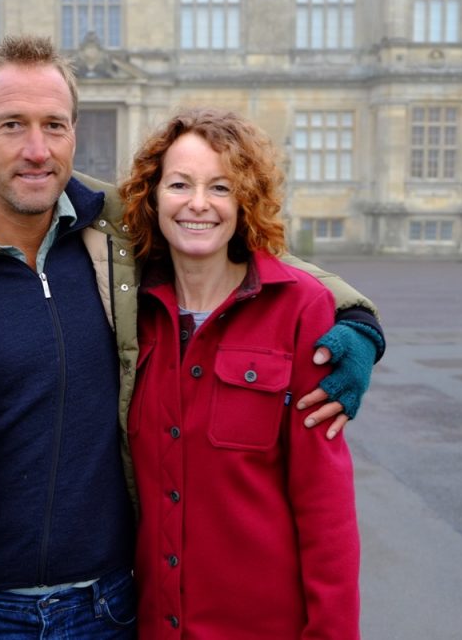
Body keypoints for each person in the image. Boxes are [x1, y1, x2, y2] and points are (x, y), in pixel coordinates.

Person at [0, 35, 381, 640]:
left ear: (73, 134)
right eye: (13, 124)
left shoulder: (118, 237)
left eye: (54, 125)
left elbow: (238, 247)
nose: (36, 149)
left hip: (113, 609)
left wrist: (356, 319)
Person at [120, 107, 363, 639]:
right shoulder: (128, 316)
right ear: (153, 195)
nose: (199, 204)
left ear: (244, 199)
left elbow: (326, 508)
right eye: (180, 184)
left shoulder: (300, 310)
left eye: (221, 187)